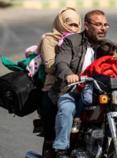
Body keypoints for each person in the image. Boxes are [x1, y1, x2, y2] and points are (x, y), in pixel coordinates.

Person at [49, 9, 117, 158]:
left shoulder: (108, 46)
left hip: (101, 92)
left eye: (105, 25)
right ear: (86, 26)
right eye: (98, 24)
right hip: (75, 90)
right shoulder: (72, 41)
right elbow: (61, 62)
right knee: (67, 108)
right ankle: (61, 151)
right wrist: (68, 74)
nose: (103, 28)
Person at [37, 7, 81, 144]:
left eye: (76, 25)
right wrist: (67, 70)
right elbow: (50, 66)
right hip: (53, 87)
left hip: (78, 86)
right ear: (61, 23)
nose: (73, 28)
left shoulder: (81, 40)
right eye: (69, 24)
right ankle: (52, 146)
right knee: (49, 111)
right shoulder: (49, 40)